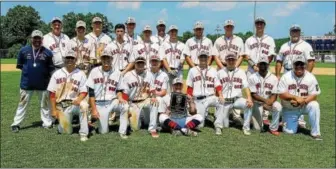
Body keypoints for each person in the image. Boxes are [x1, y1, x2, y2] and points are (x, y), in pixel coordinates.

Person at [11, 30, 55, 133]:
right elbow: (21, 66)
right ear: (31, 39)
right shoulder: (23, 51)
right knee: (22, 104)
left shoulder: (48, 53)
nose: (37, 40)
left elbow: (50, 69)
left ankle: (47, 123)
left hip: (43, 84)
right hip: (26, 84)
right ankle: (16, 124)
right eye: (35, 38)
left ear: (42, 39)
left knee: (44, 105)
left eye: (39, 38)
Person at [86, 51, 129, 139]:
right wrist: (94, 109)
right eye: (104, 58)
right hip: (99, 103)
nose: (106, 60)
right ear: (101, 59)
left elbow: (119, 89)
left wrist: (120, 98)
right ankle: (95, 122)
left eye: (108, 58)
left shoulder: (117, 73)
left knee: (125, 106)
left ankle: (123, 132)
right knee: (103, 132)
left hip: (112, 101)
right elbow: (91, 92)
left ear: (112, 59)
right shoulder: (94, 71)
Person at [47, 50, 89, 142]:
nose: (70, 60)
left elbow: (84, 91)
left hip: (75, 102)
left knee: (84, 105)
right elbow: (52, 93)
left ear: (75, 60)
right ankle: (62, 126)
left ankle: (83, 133)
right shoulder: (57, 74)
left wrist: (79, 99)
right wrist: (54, 110)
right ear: (64, 59)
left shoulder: (81, 74)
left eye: (72, 58)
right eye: (68, 58)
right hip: (62, 105)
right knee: (66, 131)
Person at [277, 55, 322, 140]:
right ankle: (290, 122)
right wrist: (295, 98)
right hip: (289, 108)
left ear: (305, 65)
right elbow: (281, 94)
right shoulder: (286, 77)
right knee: (289, 132)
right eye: (297, 64)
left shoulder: (310, 77)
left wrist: (303, 102)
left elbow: (314, 95)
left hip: (304, 106)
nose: (299, 67)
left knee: (314, 105)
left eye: (301, 64)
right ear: (293, 65)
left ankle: (316, 133)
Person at [121, 57, 160, 138]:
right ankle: (140, 118)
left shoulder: (149, 74)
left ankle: (152, 129)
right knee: (135, 128)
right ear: (134, 64)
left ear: (145, 64)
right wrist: (127, 108)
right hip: (133, 103)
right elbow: (124, 93)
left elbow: (152, 89)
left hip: (145, 100)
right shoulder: (128, 75)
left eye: (142, 63)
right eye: (138, 63)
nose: (140, 64)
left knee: (155, 102)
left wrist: (153, 97)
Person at [216, 52, 253, 136]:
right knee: (226, 125)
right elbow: (218, 86)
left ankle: (246, 128)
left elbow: (246, 86)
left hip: (237, 99)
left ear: (236, 60)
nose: (231, 61)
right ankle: (218, 126)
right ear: (226, 61)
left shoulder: (241, 72)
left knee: (248, 104)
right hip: (225, 101)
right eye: (229, 60)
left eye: (233, 60)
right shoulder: (220, 72)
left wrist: (249, 98)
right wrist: (220, 95)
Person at [186, 51, 224, 128]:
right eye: (201, 57)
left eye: (205, 57)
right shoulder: (192, 70)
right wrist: (189, 98)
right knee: (200, 125)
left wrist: (220, 95)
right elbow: (190, 86)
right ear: (198, 58)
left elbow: (218, 85)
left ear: (208, 58)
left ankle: (218, 125)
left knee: (221, 102)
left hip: (210, 97)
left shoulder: (213, 70)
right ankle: (205, 117)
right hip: (198, 100)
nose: (203, 58)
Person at [248, 56, 281, 136]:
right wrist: (265, 102)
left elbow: (274, 94)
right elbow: (253, 94)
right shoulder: (252, 77)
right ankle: (254, 119)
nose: (263, 65)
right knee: (257, 129)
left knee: (278, 106)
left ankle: (273, 128)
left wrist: (269, 103)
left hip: (269, 102)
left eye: (265, 64)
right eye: (261, 64)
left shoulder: (273, 78)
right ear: (258, 65)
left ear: (268, 65)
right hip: (256, 103)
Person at [160, 25, 188, 92]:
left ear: (177, 32)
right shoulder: (163, 44)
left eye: (175, 31)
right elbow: (163, 58)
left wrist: (177, 70)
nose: (173, 33)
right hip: (166, 71)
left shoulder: (182, 45)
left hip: (178, 72)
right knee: (167, 92)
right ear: (169, 32)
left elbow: (182, 59)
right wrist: (169, 70)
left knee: (178, 92)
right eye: (172, 31)